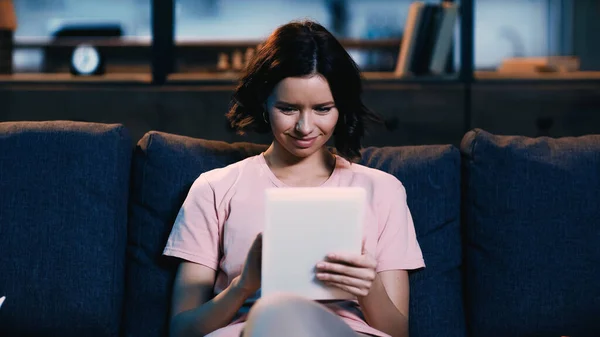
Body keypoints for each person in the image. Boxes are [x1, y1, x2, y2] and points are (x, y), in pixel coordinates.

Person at [163, 20, 425, 337]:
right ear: (265, 103)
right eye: (288, 109)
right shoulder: (214, 188)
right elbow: (181, 330)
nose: (304, 127)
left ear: (341, 108)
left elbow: (398, 332)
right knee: (275, 313)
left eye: (322, 109)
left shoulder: (383, 191)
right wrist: (243, 287)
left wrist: (368, 289)